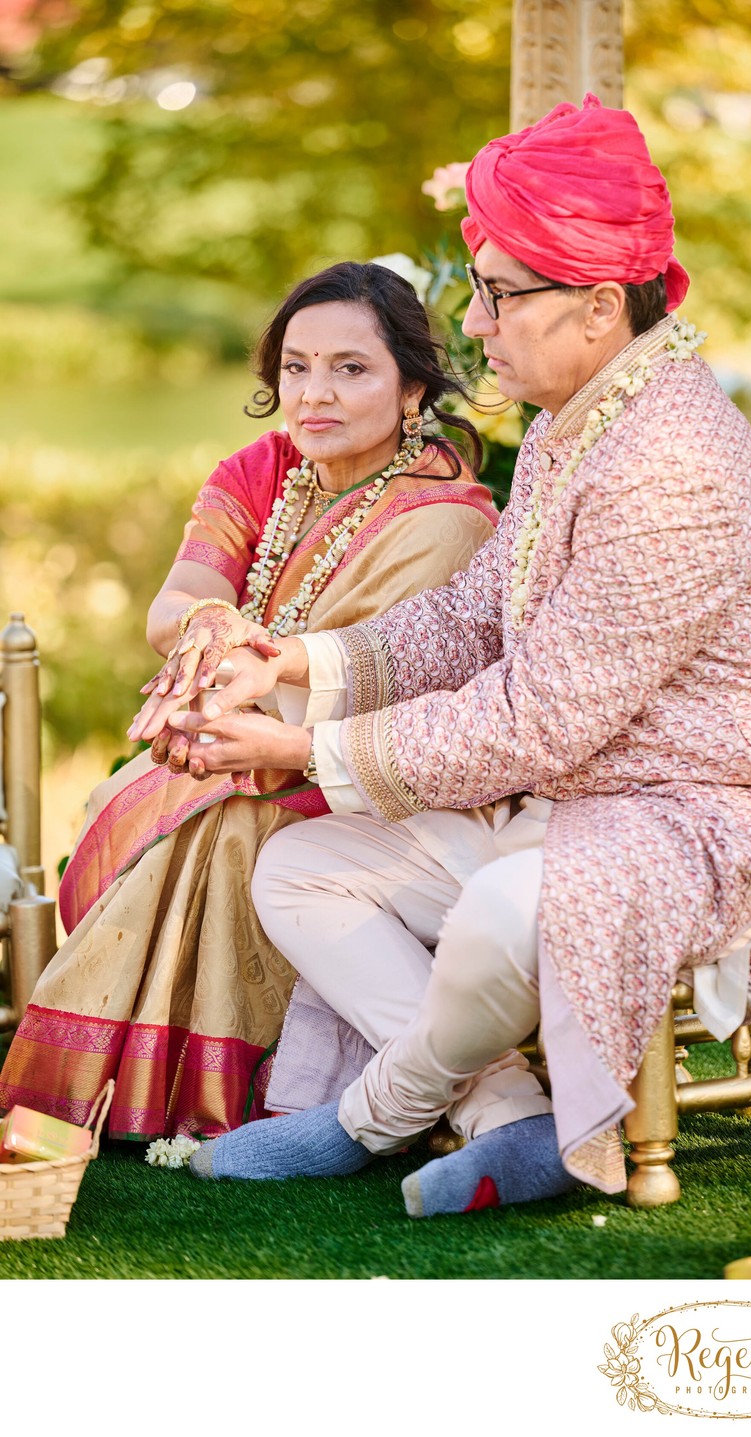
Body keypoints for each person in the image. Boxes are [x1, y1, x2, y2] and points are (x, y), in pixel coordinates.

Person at [167, 97, 751, 1214]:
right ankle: (509, 1118)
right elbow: (469, 621)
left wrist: (301, 744)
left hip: (710, 818)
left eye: (497, 295)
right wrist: (282, 658)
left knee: (500, 913)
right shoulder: (574, 420)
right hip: (574, 804)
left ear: (594, 303)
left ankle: (365, 1119)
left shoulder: (674, 462)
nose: (474, 326)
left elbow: (535, 717)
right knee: (301, 866)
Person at [0, 261, 499, 1140]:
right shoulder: (264, 467)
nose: (315, 393)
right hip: (242, 734)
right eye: (296, 366)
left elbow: (410, 680)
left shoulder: (444, 514)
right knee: (152, 792)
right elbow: (175, 604)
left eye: (351, 368)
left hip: (373, 769)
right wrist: (214, 632)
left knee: (227, 824)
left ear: (412, 384)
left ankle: (229, 1088)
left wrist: (259, 717)